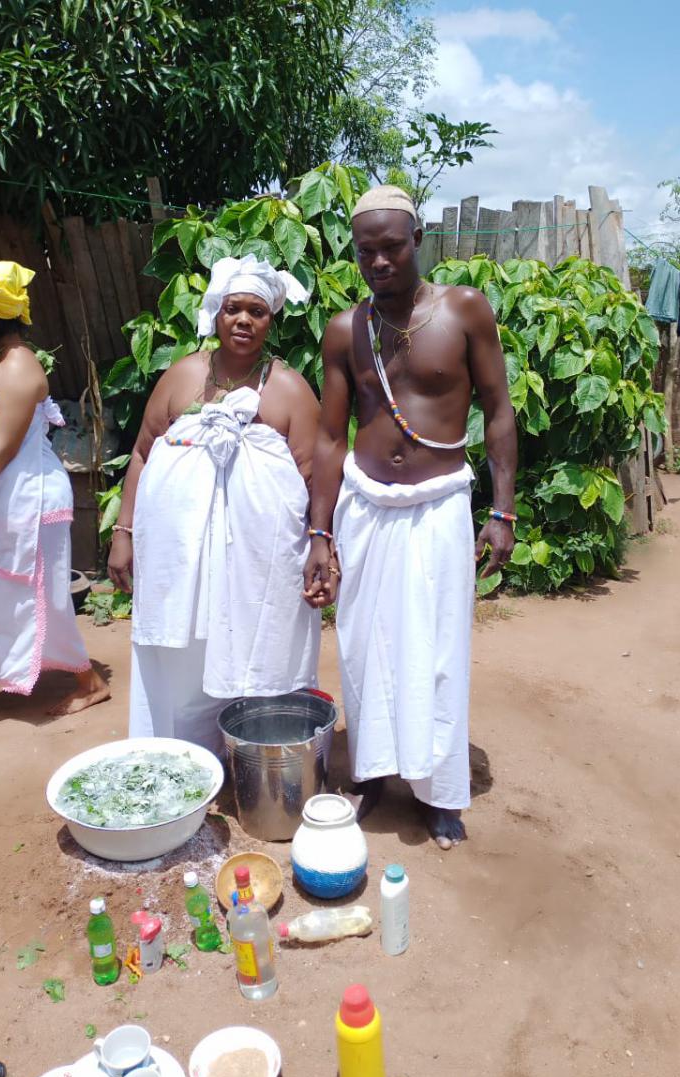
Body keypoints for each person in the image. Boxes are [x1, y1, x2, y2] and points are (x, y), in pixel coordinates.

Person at [303, 185, 517, 849]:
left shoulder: (464, 310)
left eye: (392, 247)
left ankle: (437, 790)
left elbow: (499, 410)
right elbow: (330, 438)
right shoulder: (346, 330)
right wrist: (320, 533)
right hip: (365, 503)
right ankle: (371, 773)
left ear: (417, 239)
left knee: (439, 650)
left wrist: (502, 509)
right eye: (366, 251)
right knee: (363, 645)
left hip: (439, 503)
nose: (379, 262)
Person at [108, 255, 322, 753]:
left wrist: (321, 547)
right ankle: (184, 756)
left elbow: (314, 477)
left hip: (257, 563)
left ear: (271, 320)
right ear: (217, 313)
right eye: (233, 309)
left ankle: (259, 758)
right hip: (179, 560)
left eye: (257, 311)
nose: (244, 320)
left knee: (257, 648)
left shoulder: (289, 388)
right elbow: (142, 453)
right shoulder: (182, 375)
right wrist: (124, 531)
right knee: (182, 655)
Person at [0, 256, 109, 716]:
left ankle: (88, 681)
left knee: (43, 596)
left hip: (33, 500)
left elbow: (1, 451)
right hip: (0, 499)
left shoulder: (19, 368)